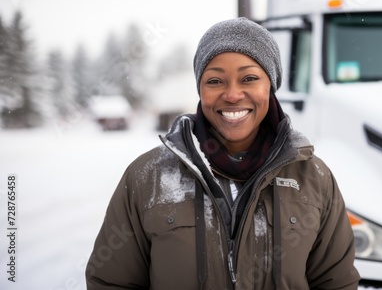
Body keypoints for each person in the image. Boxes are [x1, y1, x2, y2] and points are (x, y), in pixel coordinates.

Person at [85, 17, 360, 289]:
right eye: (215, 81)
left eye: (249, 78)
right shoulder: (147, 178)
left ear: (271, 86)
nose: (232, 94)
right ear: (200, 89)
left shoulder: (314, 178)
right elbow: (111, 283)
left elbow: (336, 283)